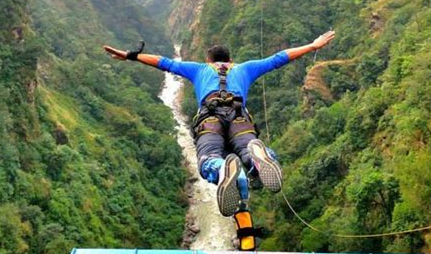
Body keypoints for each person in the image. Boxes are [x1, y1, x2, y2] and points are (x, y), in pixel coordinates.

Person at [103, 31, 335, 217]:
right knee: (247, 146)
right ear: (230, 60)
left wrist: (131, 55)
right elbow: (279, 58)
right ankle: (256, 158)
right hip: (239, 117)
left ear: (209, 60)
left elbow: (163, 63)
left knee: (208, 157)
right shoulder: (245, 68)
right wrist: (312, 46)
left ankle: (221, 167)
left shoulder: (199, 69)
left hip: (210, 118)